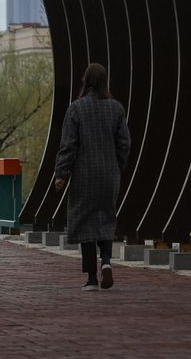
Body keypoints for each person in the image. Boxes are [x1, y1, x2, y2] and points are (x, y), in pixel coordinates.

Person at [53, 62, 132, 291]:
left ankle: (91, 278)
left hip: (84, 175)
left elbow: (68, 145)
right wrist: (117, 166)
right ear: (105, 82)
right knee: (106, 217)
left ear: (85, 81)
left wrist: (61, 173)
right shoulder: (116, 108)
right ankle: (106, 261)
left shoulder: (76, 108)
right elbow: (124, 143)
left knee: (85, 220)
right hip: (109, 174)